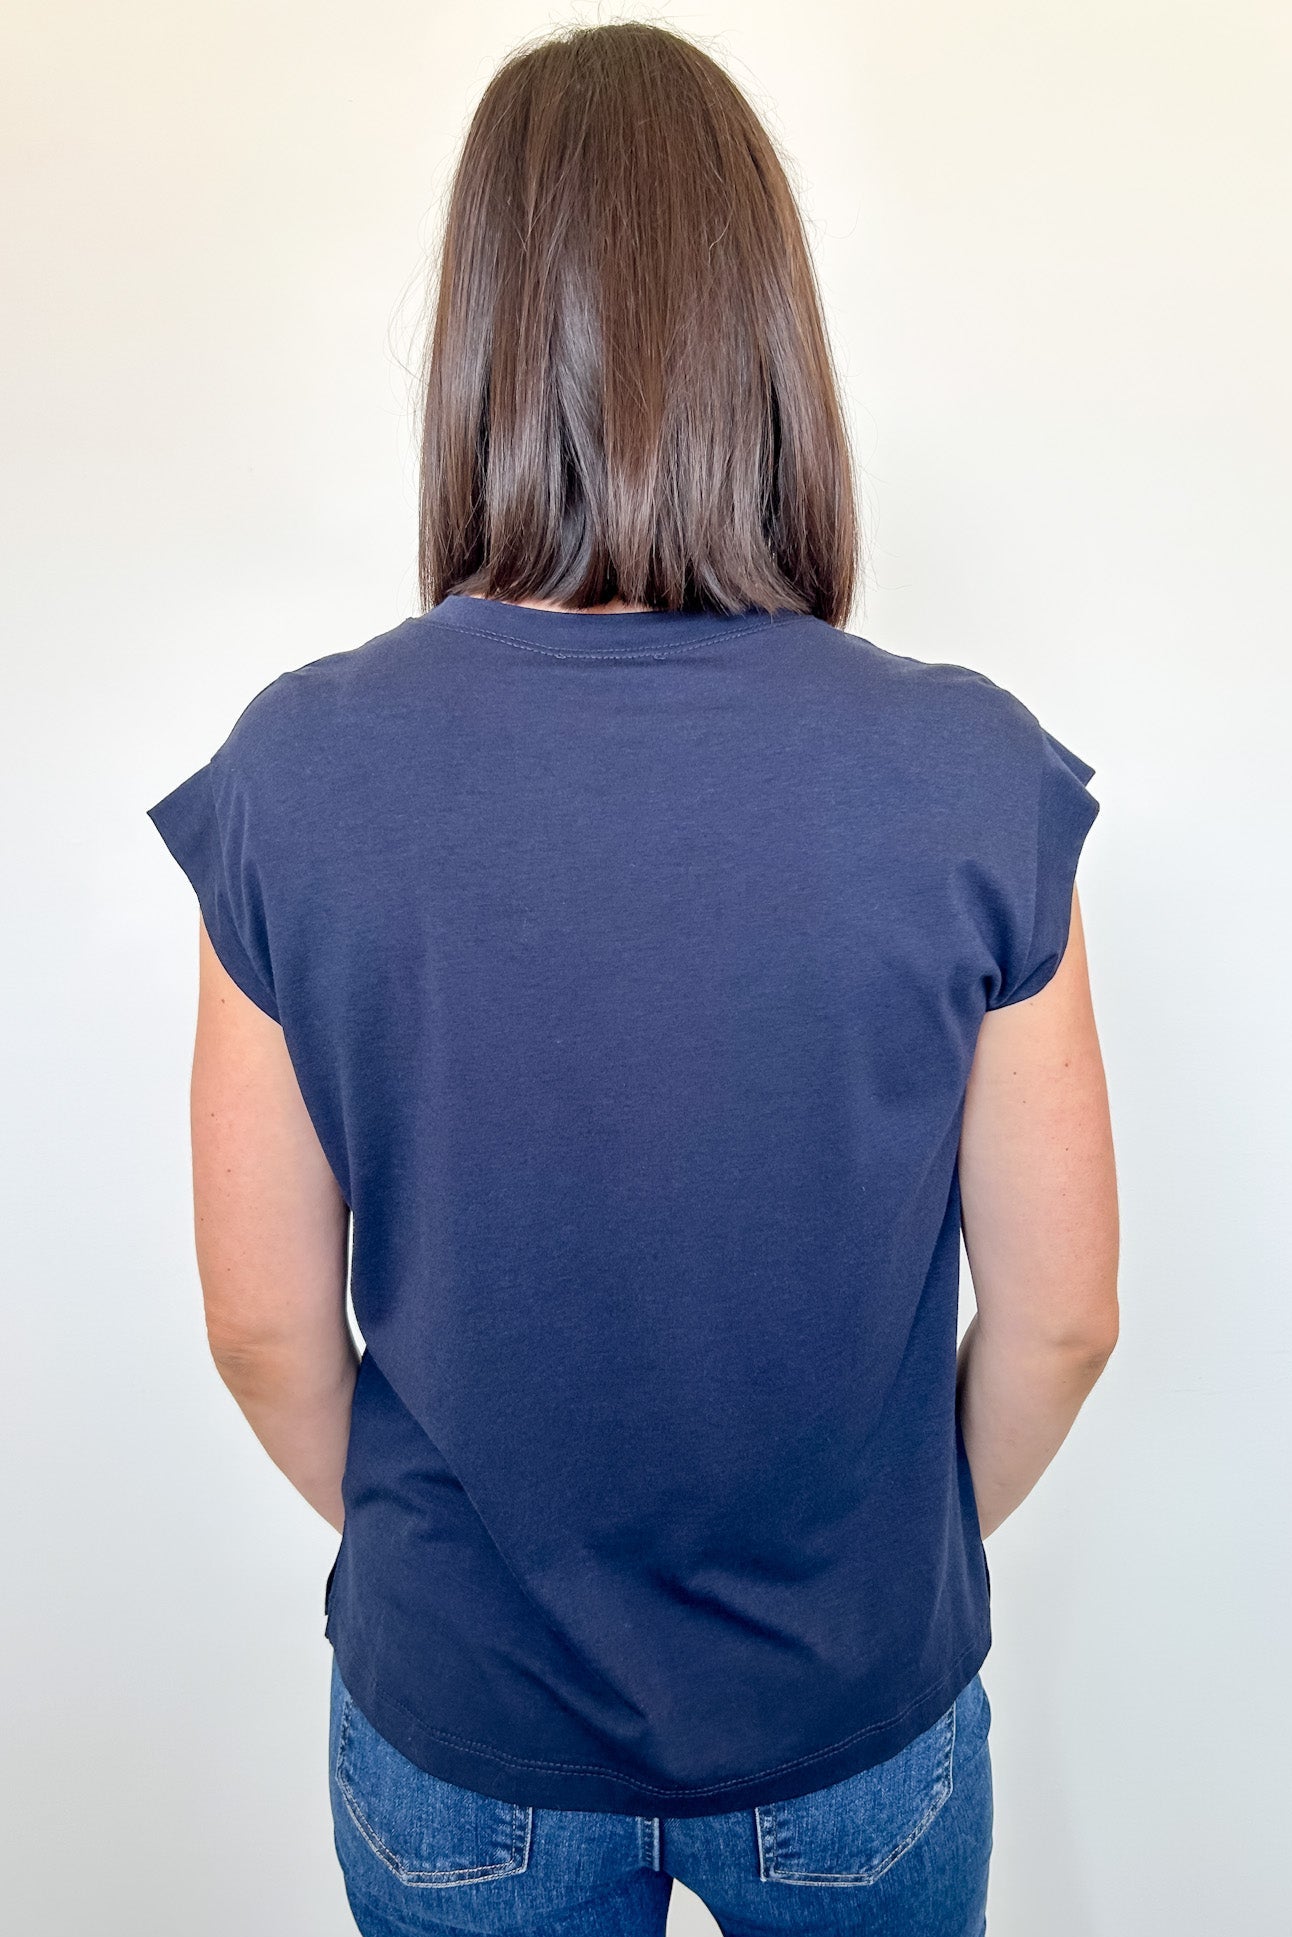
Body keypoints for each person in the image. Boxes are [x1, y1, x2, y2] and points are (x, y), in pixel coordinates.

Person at [145, 21, 1119, 1937]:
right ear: (769, 343)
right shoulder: (973, 774)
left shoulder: (297, 773)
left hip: (464, 1732)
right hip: (854, 1722)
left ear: (480, 346)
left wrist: (463, 1573)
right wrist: (879, 1577)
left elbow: (261, 1327)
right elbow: (1066, 1317)